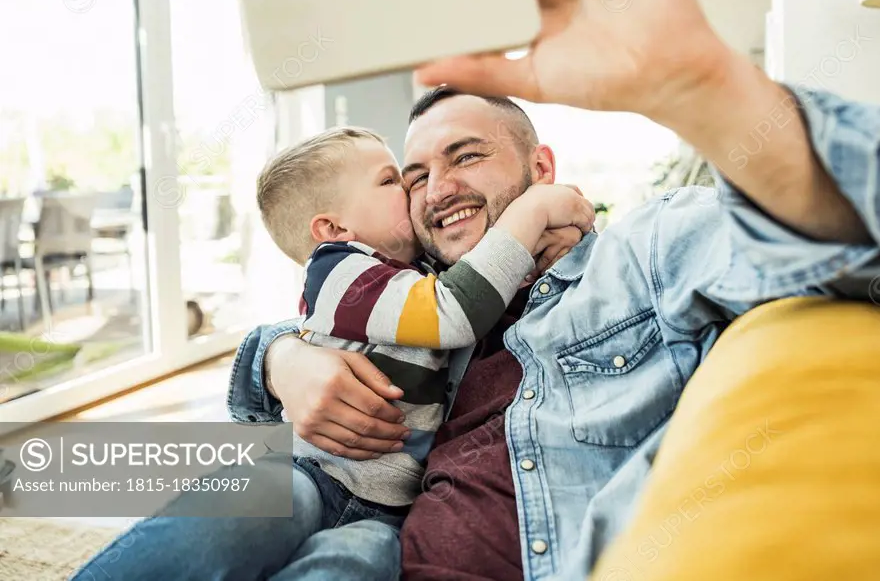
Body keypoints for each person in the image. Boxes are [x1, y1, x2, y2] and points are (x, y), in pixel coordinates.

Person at [82, 0, 880, 579]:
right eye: (412, 178)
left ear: (541, 172)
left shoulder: (642, 254)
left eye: (466, 155)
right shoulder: (414, 292)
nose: (438, 189)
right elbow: (298, 373)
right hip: (359, 520)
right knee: (229, 493)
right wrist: (276, 354)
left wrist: (700, 85)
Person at [72, 126, 592, 580]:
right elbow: (451, 312)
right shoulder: (340, 269)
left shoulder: (416, 275)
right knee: (251, 510)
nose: (419, 192)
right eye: (395, 180)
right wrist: (533, 210)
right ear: (334, 228)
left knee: (364, 558)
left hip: (381, 512)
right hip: (310, 474)